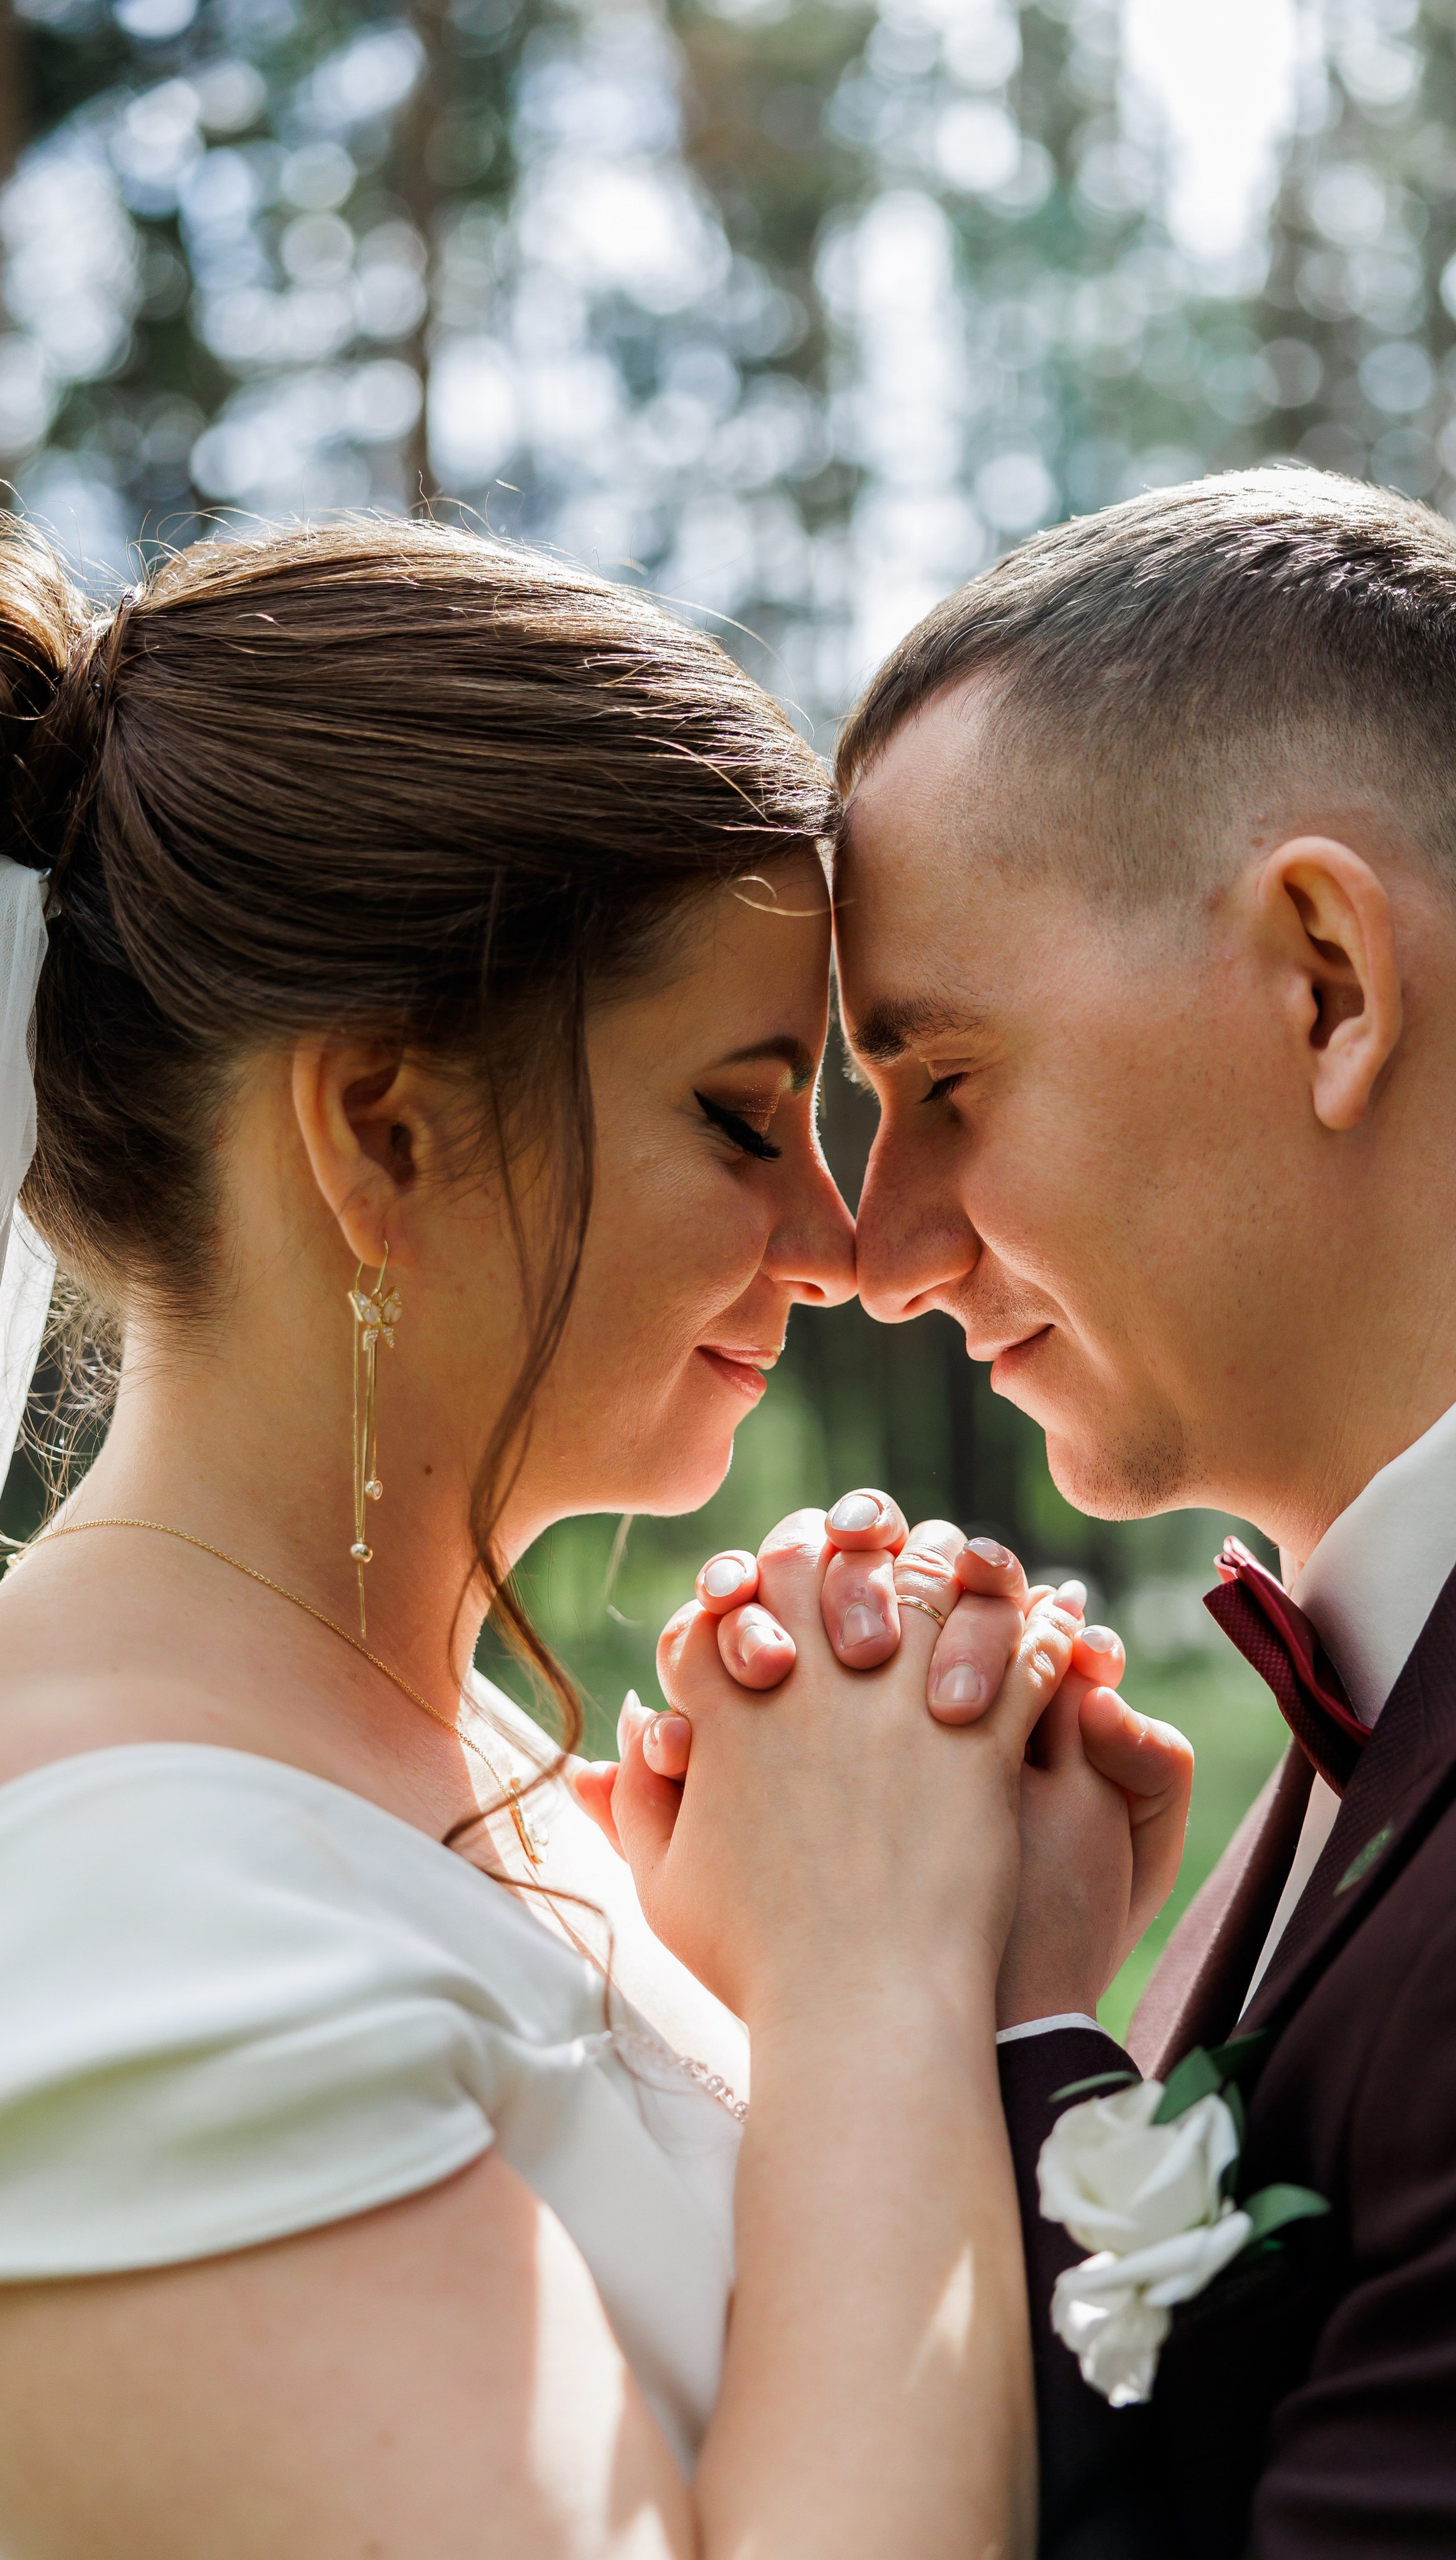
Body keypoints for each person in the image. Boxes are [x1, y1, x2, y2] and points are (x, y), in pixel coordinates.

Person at [0, 511, 1192, 2560]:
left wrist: (999, 1984)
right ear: (384, 1129)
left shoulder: (488, 1784)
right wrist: (866, 1970)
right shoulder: (116, 1923)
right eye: (741, 1117)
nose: (839, 1243)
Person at [820, 469, 1456, 2556]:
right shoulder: (1425, 1691)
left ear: (1328, 983)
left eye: (944, 1085)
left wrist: (987, 2022)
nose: (878, 1246)